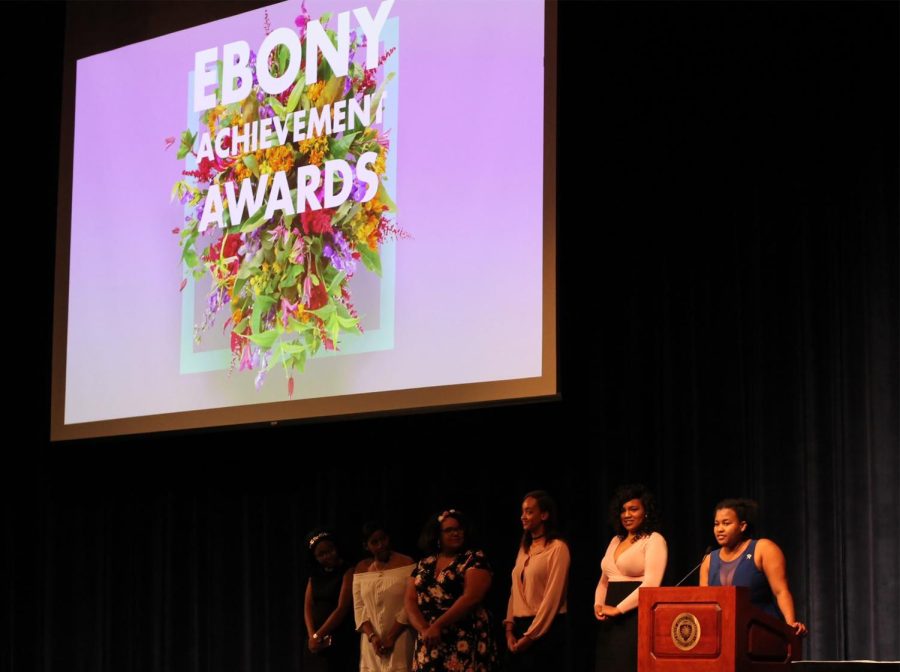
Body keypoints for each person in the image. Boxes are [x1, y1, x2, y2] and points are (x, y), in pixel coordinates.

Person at [405, 509, 499, 672]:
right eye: (449, 530)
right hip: (430, 639)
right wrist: (424, 629)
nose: (456, 533)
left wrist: (438, 626)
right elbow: (410, 600)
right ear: (437, 535)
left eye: (459, 529)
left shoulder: (473, 558)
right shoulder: (424, 563)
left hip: (463, 637)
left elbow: (472, 597)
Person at [700, 498, 807, 635]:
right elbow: (704, 606)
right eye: (716, 524)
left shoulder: (763, 549)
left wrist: (791, 626)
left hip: (762, 633)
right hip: (724, 637)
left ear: (742, 526)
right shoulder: (708, 561)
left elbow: (781, 591)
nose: (719, 529)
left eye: (726, 523)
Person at [593, 484, 668, 672]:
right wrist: (598, 604)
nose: (627, 515)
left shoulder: (653, 539)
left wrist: (619, 609)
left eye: (633, 509)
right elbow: (604, 580)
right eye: (623, 510)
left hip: (635, 616)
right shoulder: (615, 540)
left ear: (646, 512)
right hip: (609, 619)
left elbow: (652, 583)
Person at [504, 491, 570, 672]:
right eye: (522, 512)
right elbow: (515, 591)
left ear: (544, 515)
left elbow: (553, 599)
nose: (523, 516)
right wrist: (509, 628)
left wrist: (531, 636)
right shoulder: (524, 548)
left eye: (529, 512)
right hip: (520, 629)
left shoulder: (557, 548)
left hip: (545, 630)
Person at [353, 522, 417, 671]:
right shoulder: (361, 568)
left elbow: (410, 602)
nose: (381, 545)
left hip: (401, 637)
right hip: (371, 643)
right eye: (374, 542)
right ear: (366, 546)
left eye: (383, 539)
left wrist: (391, 637)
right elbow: (359, 606)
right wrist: (372, 637)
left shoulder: (407, 563)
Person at [304, 530, 359, 672]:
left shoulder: (347, 570)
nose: (327, 556)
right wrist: (312, 637)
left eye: (330, 551)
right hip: (317, 643)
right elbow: (308, 606)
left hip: (340, 638)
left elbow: (342, 608)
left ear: (336, 548)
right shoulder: (314, 575)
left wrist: (318, 635)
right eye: (321, 554)